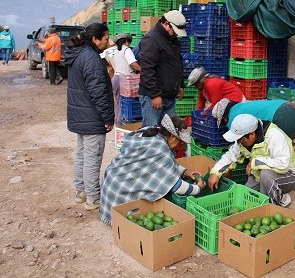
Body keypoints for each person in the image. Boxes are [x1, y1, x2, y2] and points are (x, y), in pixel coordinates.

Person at [100, 115, 206, 225]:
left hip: (110, 187)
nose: (181, 144)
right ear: (173, 138)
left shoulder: (152, 132)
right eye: (180, 141)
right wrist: (198, 188)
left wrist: (185, 172)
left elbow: (165, 164)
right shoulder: (160, 148)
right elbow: (177, 187)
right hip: (119, 199)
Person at [64, 23, 114, 211]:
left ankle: (81, 191)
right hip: (92, 117)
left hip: (80, 114)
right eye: (106, 38)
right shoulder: (91, 58)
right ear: (95, 39)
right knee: (92, 157)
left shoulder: (78, 55)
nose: (108, 41)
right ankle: (93, 198)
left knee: (82, 154)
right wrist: (108, 118)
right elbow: (99, 92)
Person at [208, 114, 295, 207]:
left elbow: (282, 164)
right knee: (246, 196)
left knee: (266, 175)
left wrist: (255, 162)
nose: (238, 142)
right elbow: (230, 156)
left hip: (289, 175)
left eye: (240, 139)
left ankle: (274, 205)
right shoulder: (242, 141)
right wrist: (215, 173)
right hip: (260, 174)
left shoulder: (274, 135)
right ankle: (275, 194)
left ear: (252, 134)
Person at [212, 98, 295, 175]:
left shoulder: (234, 120)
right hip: (291, 107)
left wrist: (254, 163)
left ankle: (285, 181)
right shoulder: (239, 107)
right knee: (288, 149)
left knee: (278, 154)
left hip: (280, 115)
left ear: (224, 119)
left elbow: (238, 146)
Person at [138, 10, 186, 127]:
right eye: (174, 30)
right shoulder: (151, 40)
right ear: (165, 24)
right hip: (154, 97)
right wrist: (154, 95)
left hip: (169, 95)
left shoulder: (173, 41)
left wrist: (180, 84)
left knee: (168, 133)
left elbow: (177, 63)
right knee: (151, 132)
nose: (175, 34)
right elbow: (147, 70)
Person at [111, 33, 141, 124]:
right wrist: (142, 70)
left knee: (118, 102)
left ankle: (117, 122)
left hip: (116, 78)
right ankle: (121, 125)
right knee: (123, 103)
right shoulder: (127, 50)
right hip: (124, 80)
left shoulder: (116, 51)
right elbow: (132, 63)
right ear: (126, 41)